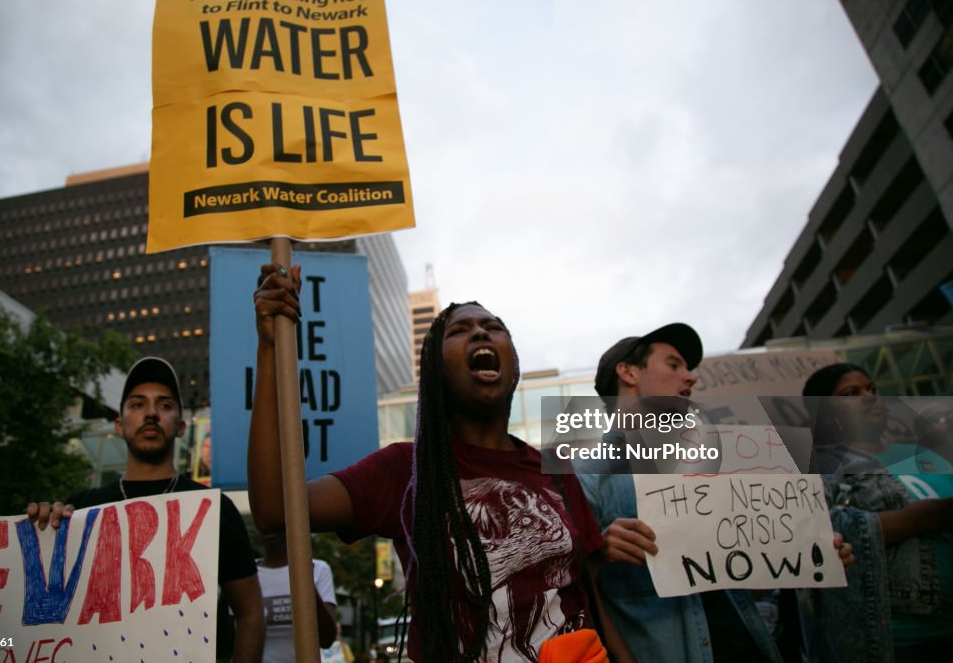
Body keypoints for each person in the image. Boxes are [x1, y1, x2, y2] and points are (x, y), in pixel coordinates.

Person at [248, 263, 634, 663]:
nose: (480, 332)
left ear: (514, 361)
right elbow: (275, 509)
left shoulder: (557, 470)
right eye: (459, 330)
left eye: (493, 326)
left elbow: (593, 604)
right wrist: (270, 349)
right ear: (434, 369)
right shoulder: (406, 470)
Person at [581, 324, 854, 662]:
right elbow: (567, 589)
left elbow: (745, 580)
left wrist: (810, 556)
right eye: (674, 365)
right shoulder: (586, 476)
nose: (690, 377)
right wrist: (597, 554)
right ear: (628, 372)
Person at [27, 356, 264, 663]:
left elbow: (251, 613)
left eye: (164, 405)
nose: (151, 413)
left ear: (180, 426)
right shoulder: (81, 510)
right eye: (137, 404)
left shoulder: (214, 510)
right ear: (118, 425)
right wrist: (42, 536)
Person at [804, 363, 953, 662]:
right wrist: (915, 520)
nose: (870, 397)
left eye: (872, 389)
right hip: (901, 640)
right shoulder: (820, 465)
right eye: (852, 393)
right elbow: (814, 535)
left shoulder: (923, 454)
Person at [257, 532, 338, 663]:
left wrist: (304, 575)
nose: (269, 529)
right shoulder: (248, 575)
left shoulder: (318, 569)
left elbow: (326, 639)